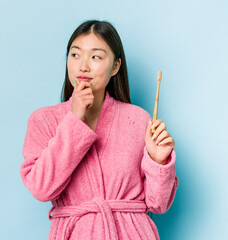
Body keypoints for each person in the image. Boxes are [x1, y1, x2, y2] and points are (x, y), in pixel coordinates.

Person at [20, 20, 178, 240]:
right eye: (75, 55)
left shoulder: (139, 119)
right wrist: (74, 119)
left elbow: (158, 204)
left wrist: (158, 162)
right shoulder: (44, 120)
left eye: (95, 57)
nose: (83, 66)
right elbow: (42, 188)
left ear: (115, 66)